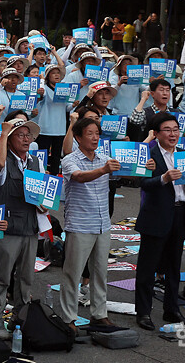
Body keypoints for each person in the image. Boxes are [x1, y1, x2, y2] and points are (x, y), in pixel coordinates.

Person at [57, 117, 121, 333]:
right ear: (78, 137)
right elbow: (79, 177)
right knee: (73, 274)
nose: (95, 138)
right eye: (90, 134)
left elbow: (127, 170)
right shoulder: (70, 160)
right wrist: (103, 170)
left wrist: (145, 167)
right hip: (80, 224)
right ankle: (68, 318)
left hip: (103, 224)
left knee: (100, 272)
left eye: (97, 134)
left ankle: (99, 314)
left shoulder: (104, 158)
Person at [0, 118, 46, 332]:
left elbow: (42, 194)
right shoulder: (2, 160)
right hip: (9, 227)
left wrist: (45, 204)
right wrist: (3, 133)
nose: (26, 139)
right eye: (20, 135)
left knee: (26, 277)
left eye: (28, 135)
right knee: (2, 276)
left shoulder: (35, 162)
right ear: (10, 139)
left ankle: (21, 318)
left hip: (31, 227)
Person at [134, 113, 185, 331]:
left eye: (175, 129)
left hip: (180, 214)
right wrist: (164, 178)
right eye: (167, 130)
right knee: (148, 267)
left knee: (174, 266)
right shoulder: (149, 154)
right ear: (156, 134)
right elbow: (142, 182)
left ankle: (171, 308)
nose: (173, 134)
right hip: (155, 216)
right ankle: (143, 312)